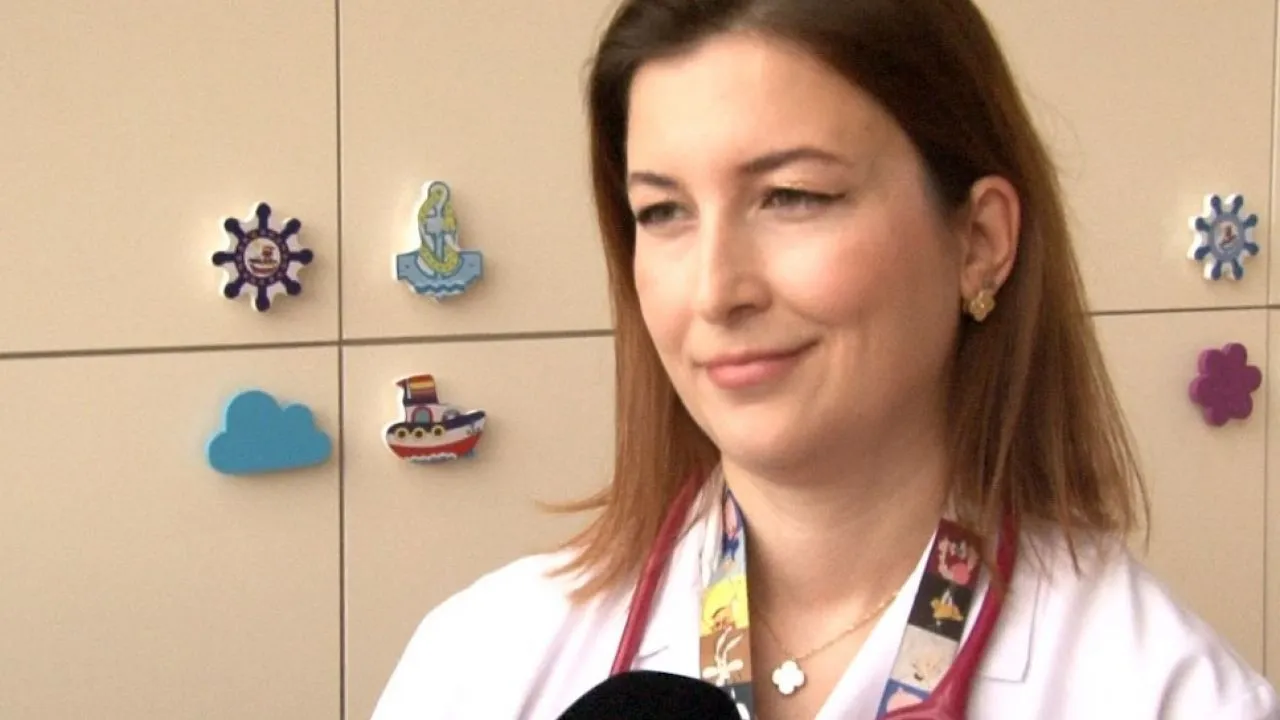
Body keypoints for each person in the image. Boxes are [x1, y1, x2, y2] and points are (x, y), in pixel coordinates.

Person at [371, 0, 1280, 718]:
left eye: (793, 196)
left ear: (979, 241)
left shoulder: (1165, 693)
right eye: (664, 212)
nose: (715, 291)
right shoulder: (481, 663)